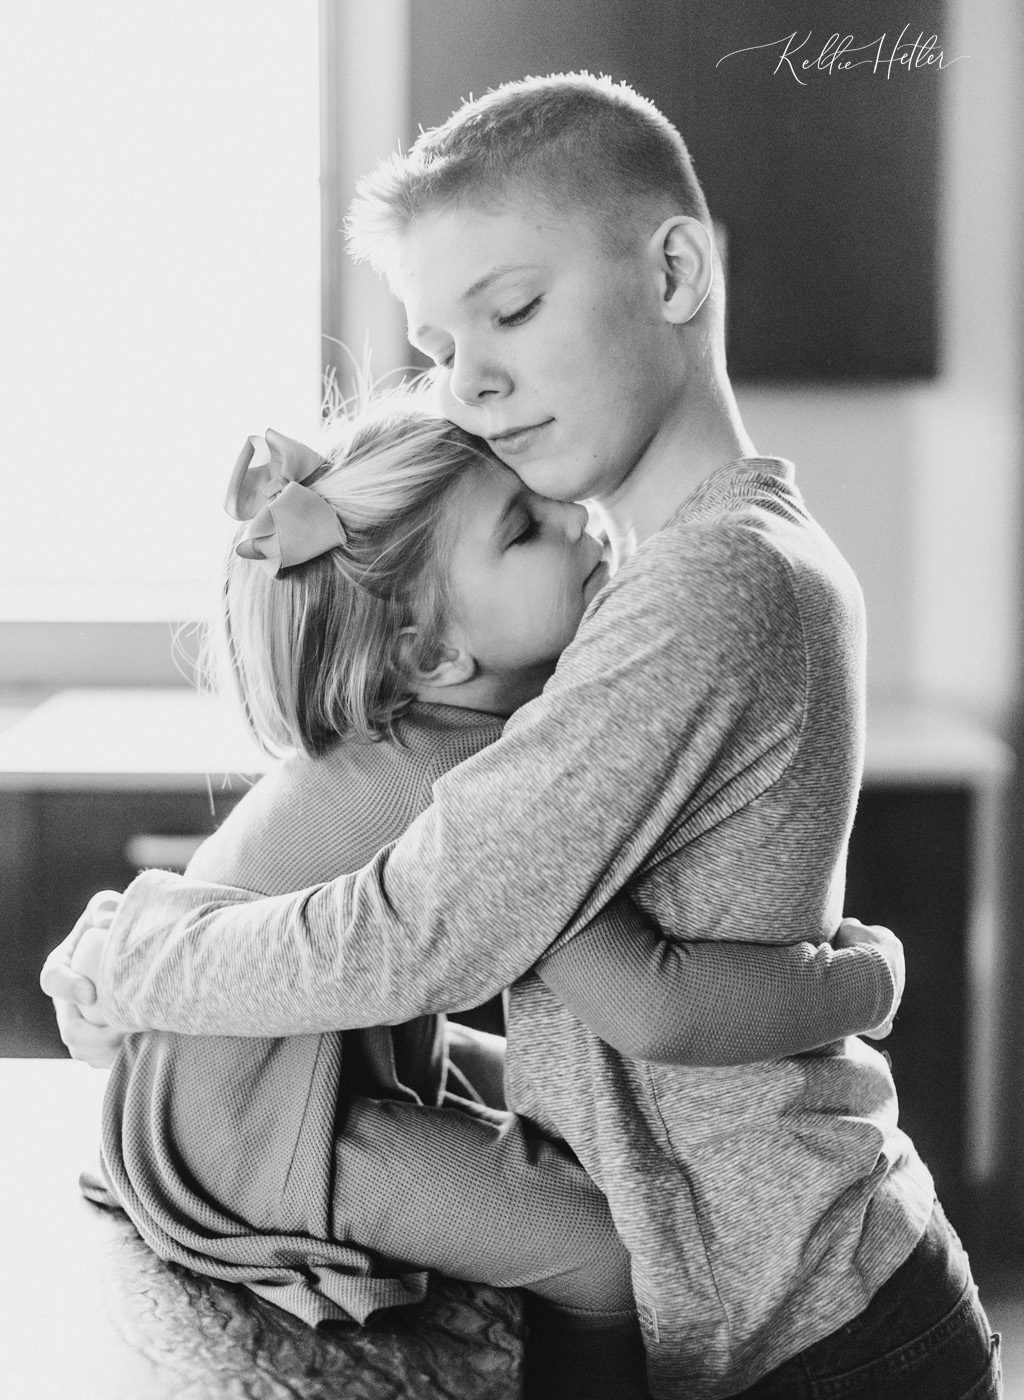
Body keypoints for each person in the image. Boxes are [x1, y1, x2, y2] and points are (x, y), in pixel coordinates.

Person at [43, 74, 1000, 1398]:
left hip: (812, 1328)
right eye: (440, 344)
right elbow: (588, 980)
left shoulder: (699, 594)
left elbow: (435, 923)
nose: (472, 380)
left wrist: (147, 952)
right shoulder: (704, 570)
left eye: (513, 306)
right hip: (795, 1303)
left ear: (674, 271)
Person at [65, 400, 902, 1400]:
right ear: (429, 656)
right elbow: (652, 1001)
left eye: (546, 499)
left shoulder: (415, 730)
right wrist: (865, 978)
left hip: (274, 1065)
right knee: (601, 1250)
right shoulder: (480, 772)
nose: (579, 518)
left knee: (569, 1101)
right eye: (522, 527)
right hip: (258, 1125)